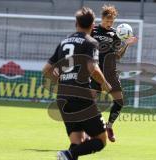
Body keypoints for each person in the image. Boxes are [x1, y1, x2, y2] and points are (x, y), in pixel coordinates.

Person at [42, 7, 112, 160]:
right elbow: (92, 68)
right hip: (81, 97)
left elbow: (46, 69)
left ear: (76, 23)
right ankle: (67, 154)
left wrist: (60, 79)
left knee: (77, 142)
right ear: (93, 25)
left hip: (63, 98)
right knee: (100, 140)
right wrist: (105, 83)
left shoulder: (63, 42)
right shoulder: (90, 42)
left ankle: (69, 155)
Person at [91, 4, 138, 142]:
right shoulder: (93, 30)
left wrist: (127, 44)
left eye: (111, 21)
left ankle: (109, 126)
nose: (109, 23)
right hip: (95, 72)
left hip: (110, 72)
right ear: (102, 18)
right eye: (107, 21)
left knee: (119, 102)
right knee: (89, 103)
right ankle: (92, 129)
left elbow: (118, 56)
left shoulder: (115, 34)